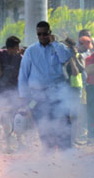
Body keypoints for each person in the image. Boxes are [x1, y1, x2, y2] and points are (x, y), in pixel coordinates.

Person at [17, 21, 74, 150]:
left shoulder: (58, 47)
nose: (42, 37)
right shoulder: (30, 51)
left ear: (50, 33)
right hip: (39, 98)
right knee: (45, 132)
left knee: (64, 128)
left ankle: (69, 160)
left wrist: (55, 43)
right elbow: (23, 76)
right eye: (39, 34)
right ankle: (49, 162)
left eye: (44, 34)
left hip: (58, 95)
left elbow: (66, 57)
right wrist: (23, 99)